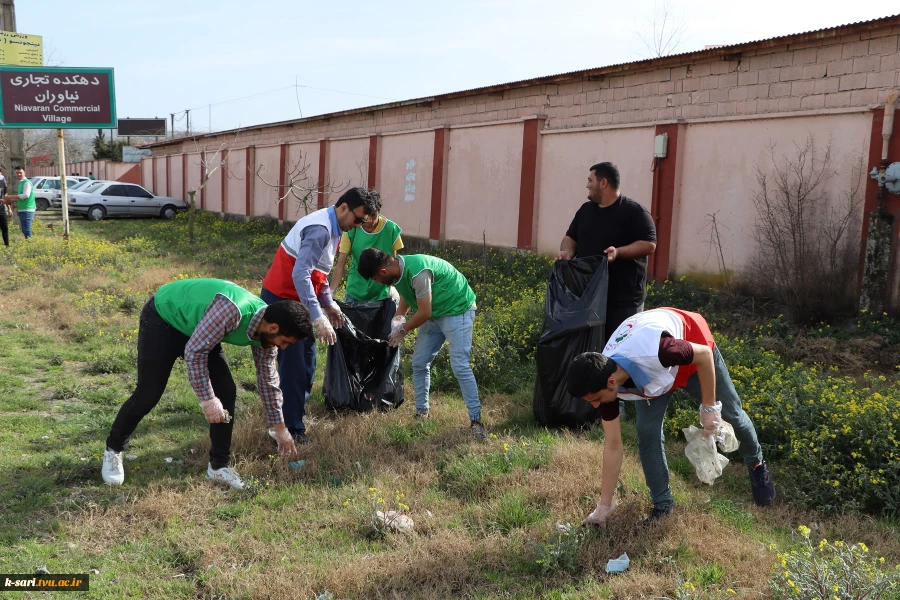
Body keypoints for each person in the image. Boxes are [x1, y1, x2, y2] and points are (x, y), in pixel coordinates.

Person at [566, 307, 776, 527]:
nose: (595, 405)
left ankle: (756, 465)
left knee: (731, 413)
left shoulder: (661, 350)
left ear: (611, 382)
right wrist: (604, 506)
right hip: (653, 376)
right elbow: (613, 445)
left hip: (694, 353)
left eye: (596, 399)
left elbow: (703, 355)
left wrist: (709, 406)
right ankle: (663, 505)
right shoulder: (603, 382)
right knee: (647, 433)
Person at [101, 278, 312, 489]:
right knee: (148, 394)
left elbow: (268, 381)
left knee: (226, 392)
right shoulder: (233, 311)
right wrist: (208, 400)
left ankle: (218, 468)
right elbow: (195, 352)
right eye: (285, 342)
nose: (283, 348)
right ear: (274, 327)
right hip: (164, 318)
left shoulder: (266, 331)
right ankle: (113, 449)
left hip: (200, 329)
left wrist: (280, 429)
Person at [260, 187, 379, 443]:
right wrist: (317, 316)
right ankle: (289, 429)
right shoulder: (321, 229)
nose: (358, 225)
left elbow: (318, 274)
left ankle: (293, 417)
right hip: (282, 300)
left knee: (307, 362)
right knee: (293, 367)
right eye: (358, 219)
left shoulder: (336, 229)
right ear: (344, 207)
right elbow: (300, 274)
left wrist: (329, 304)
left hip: (299, 301)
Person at [557, 162, 657, 416]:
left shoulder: (634, 212)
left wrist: (618, 252)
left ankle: (623, 400)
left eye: (590, 180)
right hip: (590, 296)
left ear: (604, 183)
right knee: (594, 348)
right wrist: (567, 251)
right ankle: (595, 397)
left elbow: (649, 244)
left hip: (624, 296)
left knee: (621, 349)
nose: (587, 185)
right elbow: (571, 237)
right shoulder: (586, 210)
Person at [357, 248, 486, 439]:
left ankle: (476, 421)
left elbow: (424, 312)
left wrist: (403, 330)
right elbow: (408, 298)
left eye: (375, 279)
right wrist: (398, 318)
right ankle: (421, 413)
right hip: (436, 313)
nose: (377, 282)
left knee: (459, 365)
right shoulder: (398, 271)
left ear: (383, 272)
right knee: (419, 362)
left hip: (458, 309)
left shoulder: (418, 272)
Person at [3, 166, 35, 239]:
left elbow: (26, 195)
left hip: (28, 209)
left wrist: (10, 197)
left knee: (27, 230)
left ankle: (31, 245)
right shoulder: (21, 183)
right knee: (24, 230)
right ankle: (29, 244)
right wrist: (17, 207)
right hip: (22, 209)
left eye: (20, 173)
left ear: (24, 172)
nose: (19, 174)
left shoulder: (27, 183)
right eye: (17, 173)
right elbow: (20, 198)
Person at [0, 170, 8, 248]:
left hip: (1, 208)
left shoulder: (2, 182)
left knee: (5, 227)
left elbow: (5, 195)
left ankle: (7, 245)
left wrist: (9, 208)